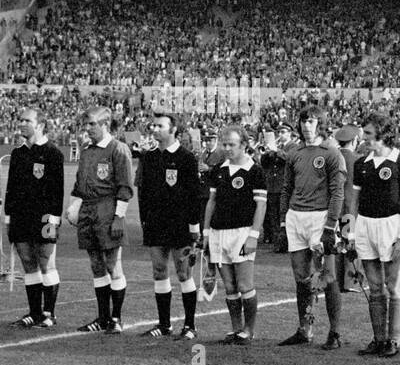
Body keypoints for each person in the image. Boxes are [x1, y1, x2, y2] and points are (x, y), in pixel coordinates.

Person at [278, 106, 347, 349]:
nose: (306, 125)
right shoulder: (294, 152)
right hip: (296, 217)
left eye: (312, 121)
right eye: (303, 121)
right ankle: (305, 328)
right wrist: (283, 218)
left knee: (327, 277)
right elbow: (287, 187)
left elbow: (338, 191)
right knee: (302, 278)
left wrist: (331, 225)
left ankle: (334, 333)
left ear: (321, 123)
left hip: (320, 219)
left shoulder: (331, 152)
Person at [352, 114, 400, 357]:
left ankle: (394, 340)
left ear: (382, 134)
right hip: (366, 225)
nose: (364, 138)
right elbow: (354, 200)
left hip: (391, 226)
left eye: (368, 134)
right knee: (375, 286)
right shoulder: (361, 164)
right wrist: (351, 231)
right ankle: (379, 339)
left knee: (393, 283)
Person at [135, 113, 204, 339]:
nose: (155, 129)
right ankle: (164, 325)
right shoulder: (149, 157)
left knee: (184, 274)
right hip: (155, 223)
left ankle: (190, 325)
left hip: (180, 224)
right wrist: (144, 219)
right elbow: (143, 193)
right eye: (153, 125)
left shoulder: (186, 158)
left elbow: (194, 195)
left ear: (173, 130)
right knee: (159, 272)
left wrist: (194, 224)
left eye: (160, 126)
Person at [66, 106, 134, 333]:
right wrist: (75, 205)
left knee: (113, 264)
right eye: (86, 124)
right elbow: (80, 183)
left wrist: (118, 217)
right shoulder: (86, 150)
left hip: (108, 208)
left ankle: (116, 318)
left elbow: (125, 187)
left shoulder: (118, 149)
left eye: (92, 124)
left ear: (105, 124)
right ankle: (102, 318)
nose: (87, 128)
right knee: (96, 265)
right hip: (87, 210)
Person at [203, 126, 268, 344]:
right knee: (229, 286)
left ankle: (249, 330)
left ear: (243, 144)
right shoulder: (219, 170)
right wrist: (205, 232)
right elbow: (211, 202)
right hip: (218, 233)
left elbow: (261, 206)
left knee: (244, 285)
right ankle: (236, 329)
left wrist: (253, 235)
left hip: (242, 233)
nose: (228, 148)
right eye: (225, 144)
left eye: (232, 144)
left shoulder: (254, 171)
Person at [3, 106, 64, 329]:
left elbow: (57, 192)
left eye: (27, 120)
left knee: (47, 264)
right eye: (20, 119)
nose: (22, 123)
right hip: (20, 218)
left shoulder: (53, 154)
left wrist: (53, 221)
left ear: (39, 125)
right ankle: (34, 313)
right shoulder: (18, 153)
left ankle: (49, 313)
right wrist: (8, 216)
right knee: (28, 264)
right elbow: (11, 187)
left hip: (44, 218)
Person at [332, 125, 362, 292]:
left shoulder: (332, 157)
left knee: (336, 243)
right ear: (354, 140)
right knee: (350, 242)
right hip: (350, 207)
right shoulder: (357, 160)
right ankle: (350, 281)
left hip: (334, 207)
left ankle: (335, 278)